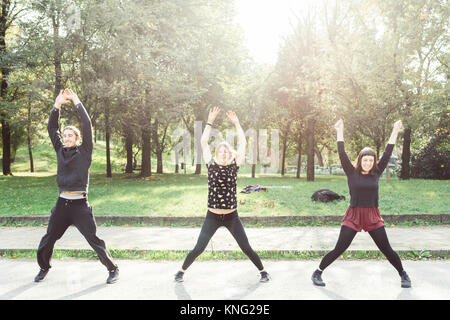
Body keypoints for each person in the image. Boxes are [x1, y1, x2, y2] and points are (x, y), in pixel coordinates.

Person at [311, 119, 411, 288]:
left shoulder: (376, 172)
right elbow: (342, 152)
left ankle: (403, 274)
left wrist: (395, 130)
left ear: (373, 162)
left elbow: (388, 151)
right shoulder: (351, 172)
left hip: (372, 215)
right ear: (360, 160)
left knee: (386, 248)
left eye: (371, 161)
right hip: (354, 215)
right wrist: (340, 130)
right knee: (339, 248)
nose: (368, 163)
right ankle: (318, 272)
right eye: (365, 160)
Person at [174, 107, 270, 283]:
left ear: (230, 154)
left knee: (246, 247)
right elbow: (203, 142)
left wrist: (237, 123)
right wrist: (210, 121)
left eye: (226, 151)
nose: (223, 154)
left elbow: (243, 144)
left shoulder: (234, 165)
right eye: (220, 151)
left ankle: (263, 272)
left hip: (232, 217)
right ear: (216, 154)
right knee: (199, 248)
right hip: (212, 217)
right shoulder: (211, 165)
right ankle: (181, 271)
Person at [34, 89, 119, 284]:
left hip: (80, 206)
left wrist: (76, 101)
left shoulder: (85, 151)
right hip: (62, 204)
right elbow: (51, 128)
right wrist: (57, 105)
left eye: (70, 135)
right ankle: (43, 267)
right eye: (65, 135)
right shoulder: (60, 150)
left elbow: (87, 124)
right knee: (48, 239)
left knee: (93, 240)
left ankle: (113, 268)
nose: (66, 137)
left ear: (78, 138)